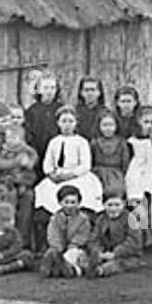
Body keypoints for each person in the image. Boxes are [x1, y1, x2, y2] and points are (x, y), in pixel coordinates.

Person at [33, 106, 104, 249]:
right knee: (44, 192)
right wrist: (51, 174)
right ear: (58, 123)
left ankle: (82, 236)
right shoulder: (54, 142)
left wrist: (71, 174)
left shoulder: (81, 141)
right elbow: (47, 163)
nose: (67, 125)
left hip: (78, 175)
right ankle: (52, 237)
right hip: (58, 175)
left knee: (85, 192)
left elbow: (85, 165)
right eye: (63, 121)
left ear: (76, 123)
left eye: (70, 121)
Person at [0, 107, 37, 242]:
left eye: (8, 120)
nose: (7, 124)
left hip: (17, 177)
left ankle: (23, 240)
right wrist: (18, 161)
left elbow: (30, 155)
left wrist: (27, 158)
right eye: (2, 121)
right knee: (7, 196)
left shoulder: (14, 134)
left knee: (28, 196)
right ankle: (5, 239)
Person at [125, 106, 152, 248]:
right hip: (137, 171)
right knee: (135, 200)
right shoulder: (133, 140)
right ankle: (145, 232)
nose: (149, 126)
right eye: (146, 122)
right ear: (139, 122)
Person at [39, 185, 94, 277]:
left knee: (74, 255)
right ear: (60, 202)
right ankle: (52, 268)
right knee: (52, 252)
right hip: (59, 250)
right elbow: (53, 235)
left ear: (78, 203)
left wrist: (72, 246)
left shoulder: (83, 219)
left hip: (75, 248)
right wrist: (58, 248)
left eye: (73, 202)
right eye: (66, 202)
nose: (69, 206)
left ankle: (68, 269)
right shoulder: (55, 218)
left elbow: (82, 236)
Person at [91, 191, 144, 277]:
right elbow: (94, 238)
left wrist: (115, 253)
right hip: (105, 252)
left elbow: (133, 241)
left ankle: (100, 271)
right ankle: (79, 268)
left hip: (126, 255)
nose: (113, 209)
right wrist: (98, 251)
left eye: (117, 205)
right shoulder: (101, 219)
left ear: (123, 204)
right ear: (104, 205)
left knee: (119, 264)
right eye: (110, 205)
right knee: (86, 257)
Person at [89, 109, 131, 195]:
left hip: (116, 174)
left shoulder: (121, 142)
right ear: (99, 126)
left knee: (116, 190)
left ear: (116, 126)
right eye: (104, 125)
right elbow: (91, 160)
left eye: (111, 125)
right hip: (98, 173)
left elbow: (125, 162)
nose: (108, 128)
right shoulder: (95, 142)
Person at [24, 74, 64, 161]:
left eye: (52, 88)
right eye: (46, 88)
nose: (49, 91)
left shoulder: (61, 109)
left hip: (58, 153)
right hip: (38, 152)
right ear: (39, 90)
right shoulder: (32, 111)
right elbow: (28, 134)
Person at [74, 77, 107, 147]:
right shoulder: (74, 112)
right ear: (81, 92)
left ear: (99, 92)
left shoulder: (106, 113)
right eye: (86, 90)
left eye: (93, 90)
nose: (90, 93)